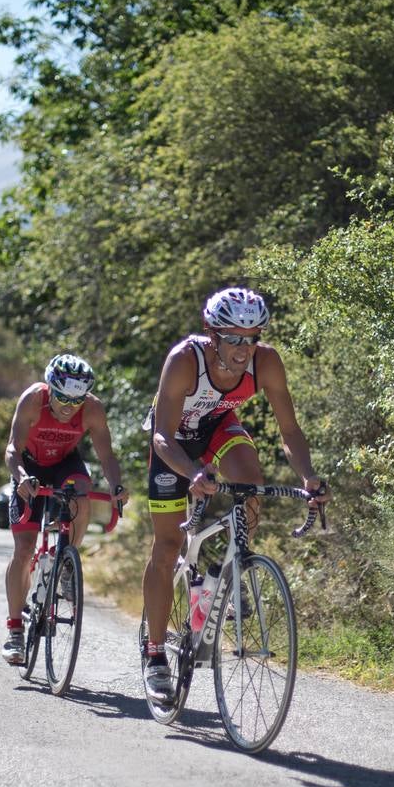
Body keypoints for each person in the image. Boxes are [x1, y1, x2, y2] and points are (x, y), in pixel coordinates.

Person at [139, 287, 329, 703]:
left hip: (219, 430)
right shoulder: (185, 360)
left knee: (250, 482)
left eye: (253, 337)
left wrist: (309, 476)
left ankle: (220, 576)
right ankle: (155, 654)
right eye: (234, 338)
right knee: (168, 544)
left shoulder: (267, 363)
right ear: (212, 333)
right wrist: (191, 473)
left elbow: (289, 430)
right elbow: (160, 436)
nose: (245, 349)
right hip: (174, 445)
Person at [1, 354, 129, 665]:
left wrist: (116, 486)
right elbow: (11, 450)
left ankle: (67, 561)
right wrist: (20, 478)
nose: (69, 406)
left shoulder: (93, 409)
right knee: (24, 549)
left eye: (77, 400)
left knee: (81, 494)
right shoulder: (33, 400)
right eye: (62, 398)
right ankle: (15, 628)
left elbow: (106, 455)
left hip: (64, 465)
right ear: (50, 388)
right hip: (29, 467)